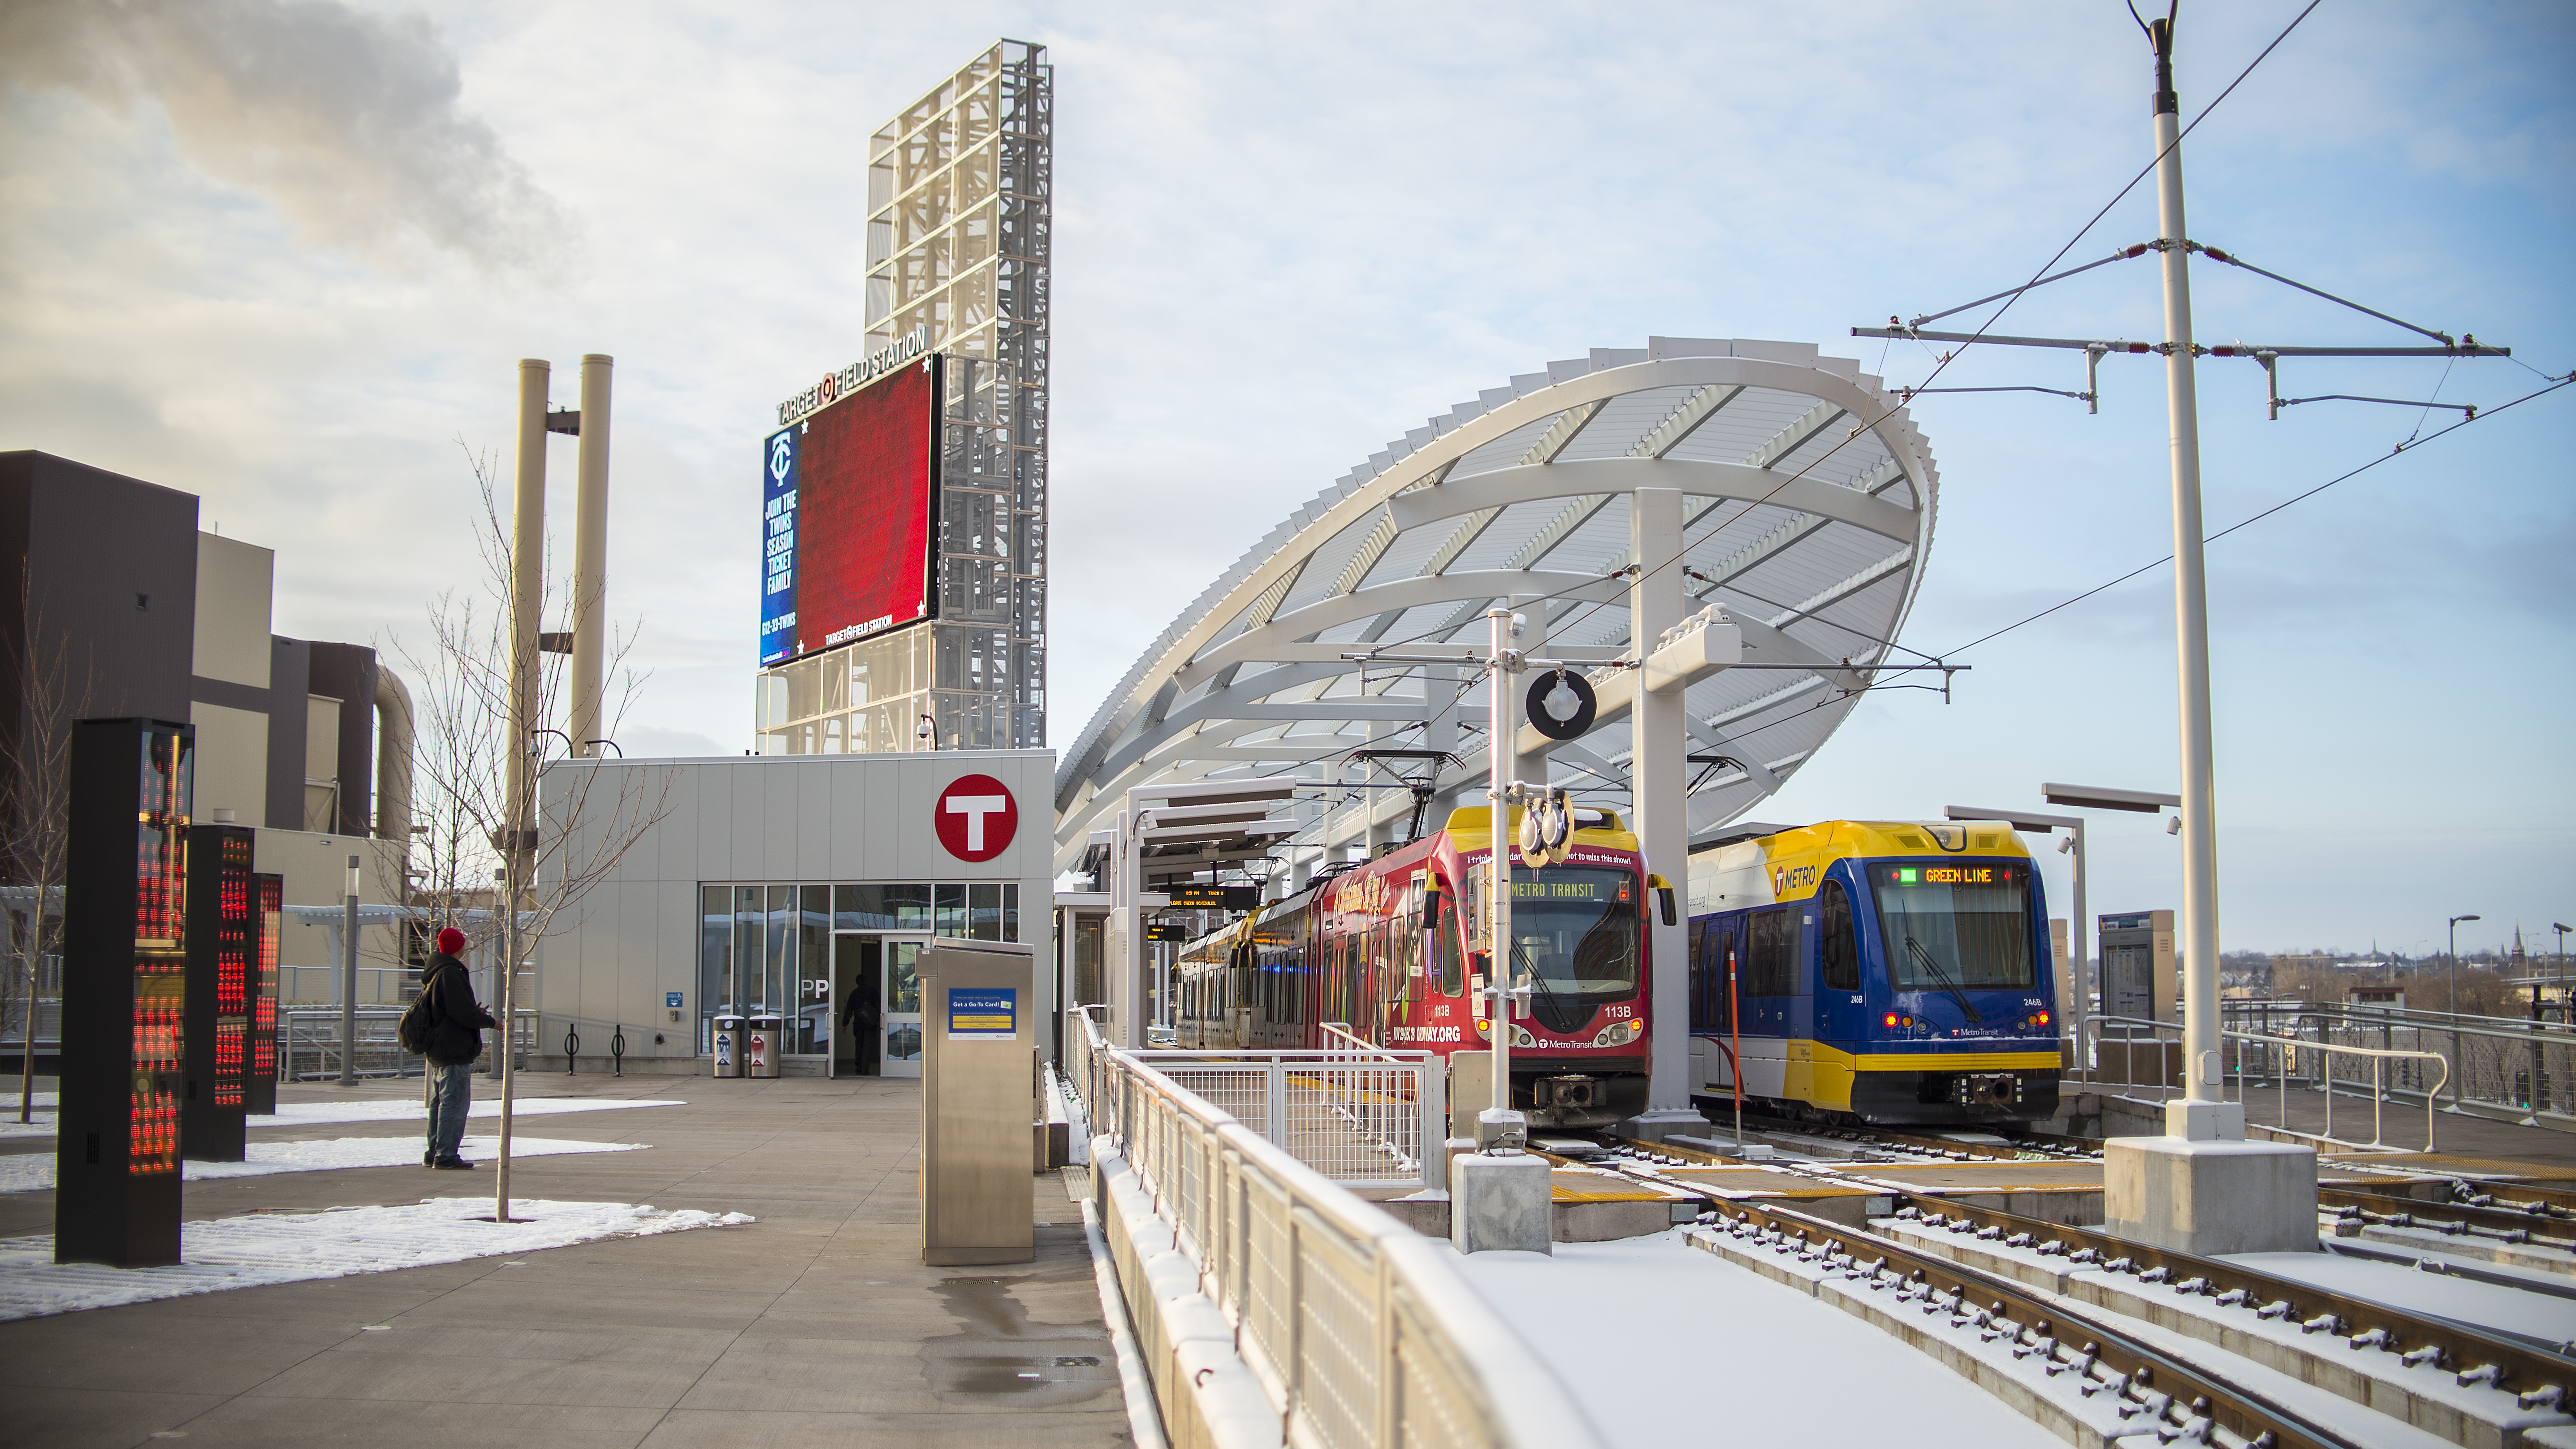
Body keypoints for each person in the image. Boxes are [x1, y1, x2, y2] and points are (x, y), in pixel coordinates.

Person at [419, 927, 497, 1169]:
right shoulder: (451, 974)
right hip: (454, 1048)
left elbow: (452, 1010)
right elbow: (461, 1013)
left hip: (439, 1048)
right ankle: (446, 1155)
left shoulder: (435, 972)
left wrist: (474, 1013)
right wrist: (491, 1022)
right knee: (454, 1102)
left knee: (440, 1102)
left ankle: (435, 1152)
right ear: (458, 947)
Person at [841, 977, 880, 1076]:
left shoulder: (854, 993)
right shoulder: (873, 992)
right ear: (865, 981)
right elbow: (879, 1006)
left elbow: (849, 1009)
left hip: (858, 1023)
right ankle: (865, 1069)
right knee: (868, 1046)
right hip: (870, 1023)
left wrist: (845, 1024)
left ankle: (858, 1067)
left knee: (859, 1045)